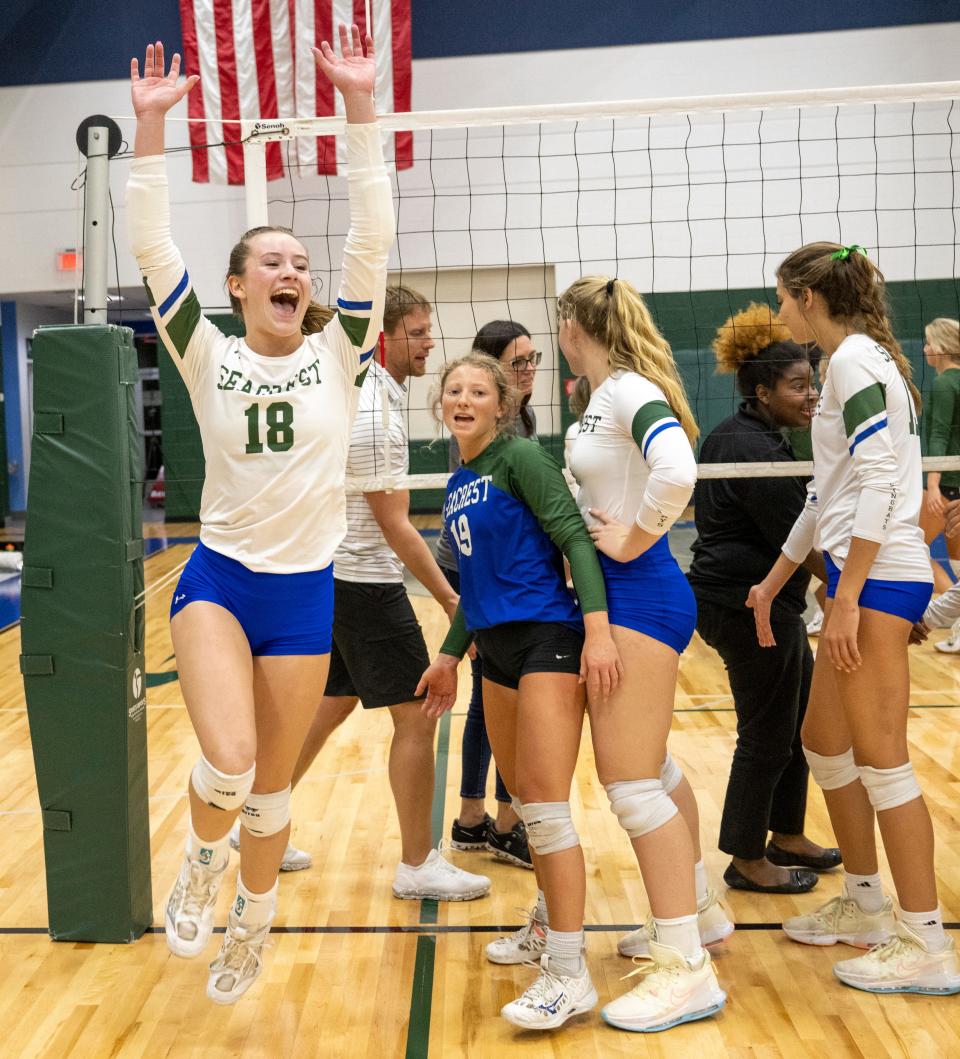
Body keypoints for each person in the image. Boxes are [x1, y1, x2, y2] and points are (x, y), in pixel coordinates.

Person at [128, 29, 394, 1004]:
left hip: (303, 596)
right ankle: (200, 864)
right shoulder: (205, 349)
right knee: (230, 766)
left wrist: (362, 108)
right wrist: (152, 125)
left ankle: (253, 921)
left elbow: (372, 232)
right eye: (270, 261)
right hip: (223, 581)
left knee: (275, 793)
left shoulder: (342, 354)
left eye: (299, 262)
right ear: (239, 285)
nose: (292, 269)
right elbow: (155, 246)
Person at [748, 242, 960, 996]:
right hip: (855, 570)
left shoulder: (852, 363)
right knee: (824, 742)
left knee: (883, 760)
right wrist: (774, 581)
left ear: (809, 297)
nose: (777, 312)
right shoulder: (863, 362)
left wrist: (846, 596)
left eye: (781, 298)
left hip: (877, 576)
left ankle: (927, 941)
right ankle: (869, 904)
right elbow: (827, 492)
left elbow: (875, 484)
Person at [237, 285, 490, 901]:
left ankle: (257, 826)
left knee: (330, 704)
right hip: (364, 582)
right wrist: (450, 599)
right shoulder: (374, 408)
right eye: (420, 331)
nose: (431, 341)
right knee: (419, 715)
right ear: (385, 336)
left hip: (330, 572)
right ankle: (416, 864)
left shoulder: (362, 392)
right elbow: (396, 524)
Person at [418, 353, 622, 1030]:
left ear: (503, 404)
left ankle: (569, 970)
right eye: (454, 390)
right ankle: (546, 924)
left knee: (543, 801)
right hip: (496, 649)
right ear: (440, 404)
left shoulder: (521, 458)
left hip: (548, 638)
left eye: (479, 390)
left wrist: (597, 632)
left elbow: (574, 538)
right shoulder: (458, 479)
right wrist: (448, 658)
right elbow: (473, 588)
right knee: (525, 798)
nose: (465, 398)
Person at [561, 276, 728, 1032]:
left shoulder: (627, 388)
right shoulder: (600, 392)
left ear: (574, 324)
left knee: (630, 784)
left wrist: (632, 537)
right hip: (628, 592)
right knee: (654, 768)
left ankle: (686, 969)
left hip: (642, 593)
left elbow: (678, 470)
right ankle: (695, 914)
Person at [687, 303, 840, 894]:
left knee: (793, 718)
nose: (810, 396)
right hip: (743, 605)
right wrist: (853, 592)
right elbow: (799, 544)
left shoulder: (756, 434)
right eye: (798, 385)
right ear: (761, 390)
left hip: (762, 603)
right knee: (767, 731)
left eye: (813, 383)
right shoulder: (750, 448)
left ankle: (786, 832)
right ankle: (746, 856)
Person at [436, 321, 541, 869]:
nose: (529, 369)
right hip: (473, 571)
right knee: (490, 695)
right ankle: (485, 816)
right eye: (517, 362)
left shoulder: (523, 419)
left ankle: (486, 818)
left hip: (501, 575)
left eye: (532, 358)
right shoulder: (480, 429)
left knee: (496, 696)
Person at [917, 318, 960, 645]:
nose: (925, 349)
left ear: (943, 347)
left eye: (929, 343)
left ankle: (929, 620)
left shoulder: (946, 383)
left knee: (910, 548)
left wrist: (932, 485)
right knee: (958, 562)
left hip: (945, 485)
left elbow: (939, 434)